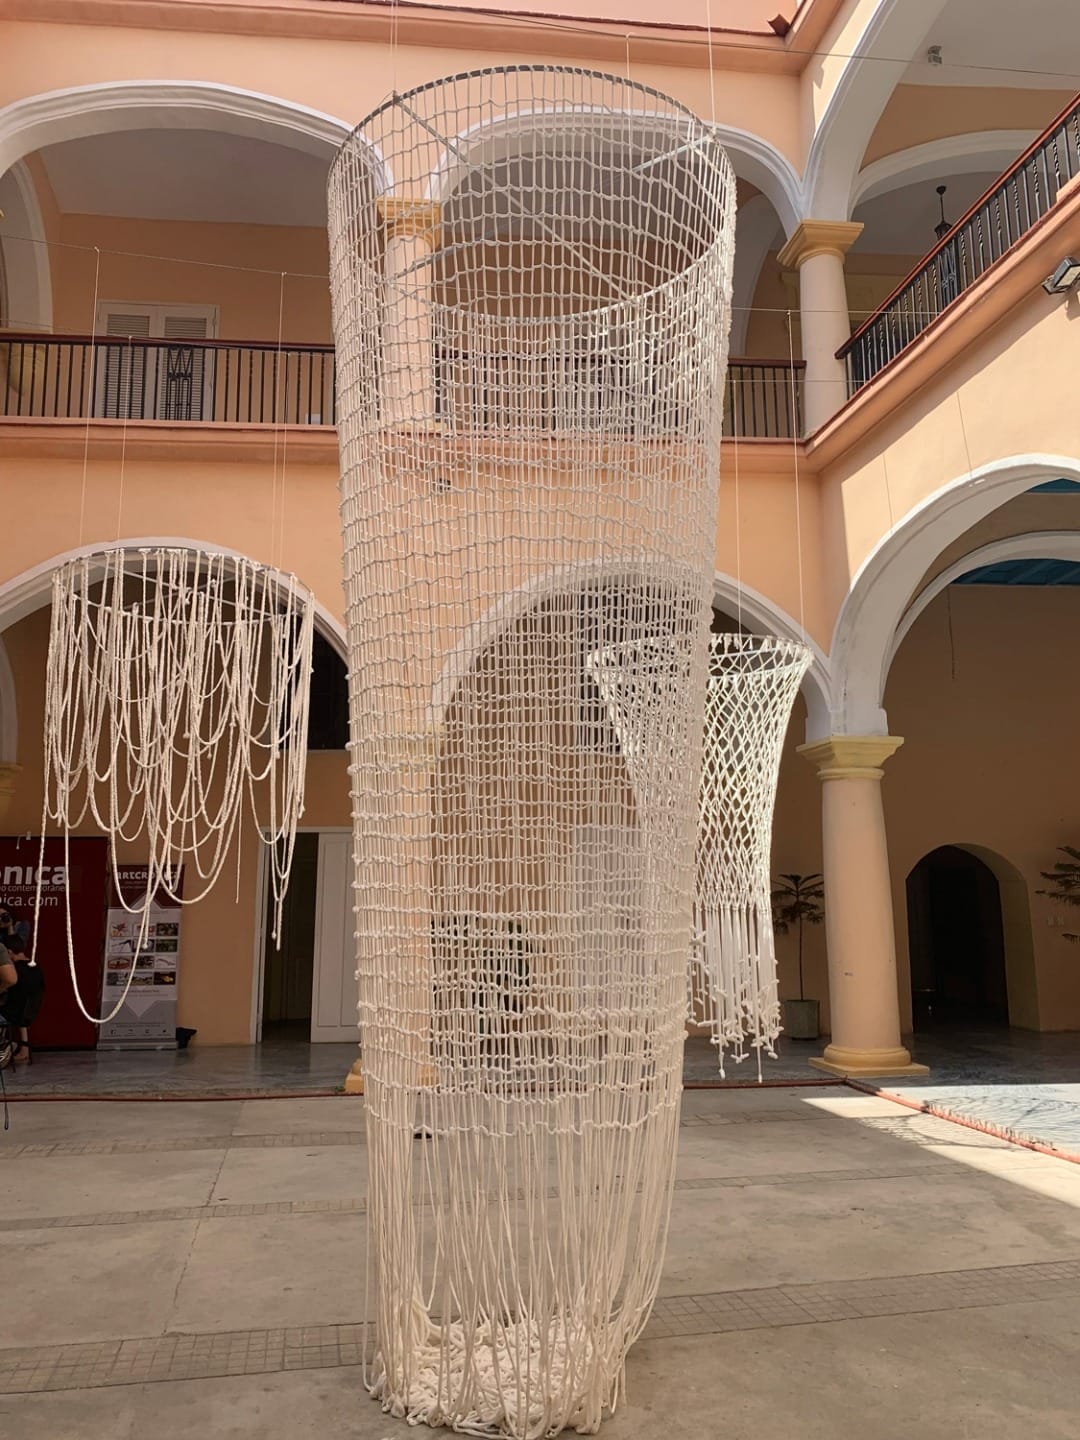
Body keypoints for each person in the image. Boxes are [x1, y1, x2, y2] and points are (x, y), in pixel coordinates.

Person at [0, 905, 43, 1066]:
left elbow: (11, 982)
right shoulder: (34, 967)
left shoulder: (17, 970)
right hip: (27, 1008)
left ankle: (3, 1046)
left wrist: (10, 927)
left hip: (14, 1010)